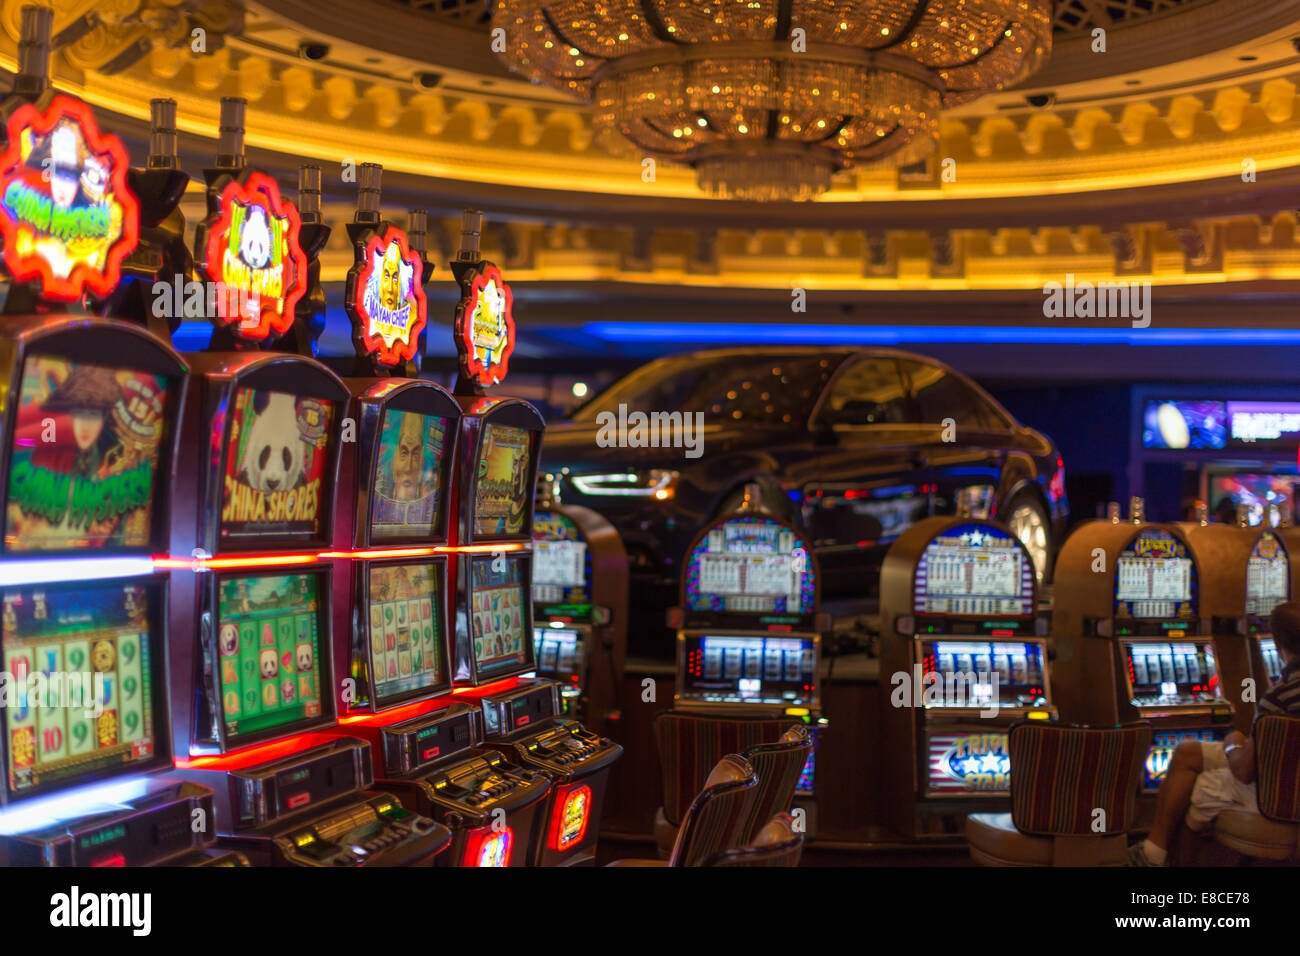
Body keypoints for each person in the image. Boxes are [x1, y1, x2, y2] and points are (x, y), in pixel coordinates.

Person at [1128, 600, 1300, 865]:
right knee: (1188, 754)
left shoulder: (1278, 698)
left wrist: (1233, 744)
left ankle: (1167, 864)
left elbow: (1244, 771)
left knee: (1199, 788)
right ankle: (1155, 848)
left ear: (1277, 645)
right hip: (1282, 770)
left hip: (1279, 792)